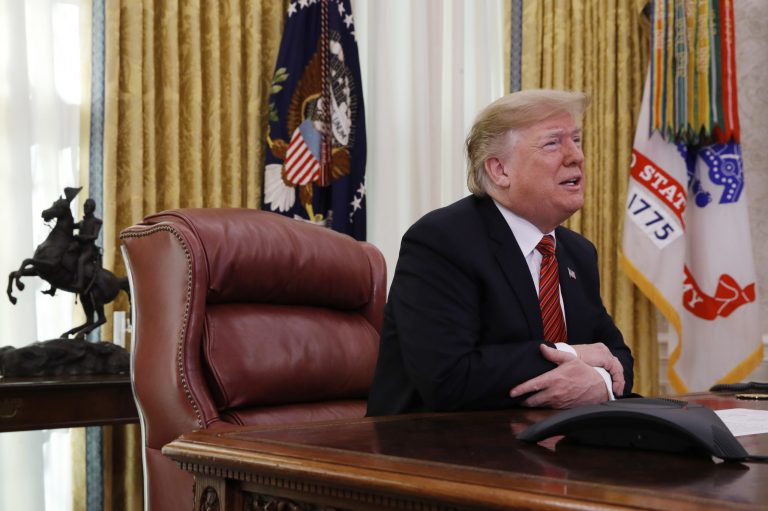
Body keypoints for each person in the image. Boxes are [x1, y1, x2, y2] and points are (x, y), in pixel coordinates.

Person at [366, 89, 634, 416]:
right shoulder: (442, 241)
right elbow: (448, 377)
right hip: (436, 450)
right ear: (499, 170)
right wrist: (573, 355)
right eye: (553, 143)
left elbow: (615, 354)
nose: (575, 155)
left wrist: (601, 383)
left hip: (547, 446)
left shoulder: (577, 253)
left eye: (576, 140)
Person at [73, 198, 103, 292]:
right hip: (79, 247)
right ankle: (53, 288)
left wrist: (81, 237)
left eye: (87, 206)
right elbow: (71, 225)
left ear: (92, 208)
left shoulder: (97, 222)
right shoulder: (82, 222)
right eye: (84, 206)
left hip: (88, 248)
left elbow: (94, 236)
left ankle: (79, 284)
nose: (85, 207)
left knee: (81, 260)